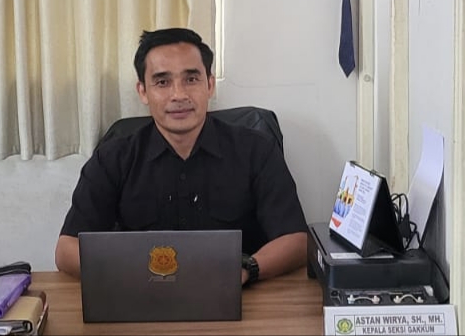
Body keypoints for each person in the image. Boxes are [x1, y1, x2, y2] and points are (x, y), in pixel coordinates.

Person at [55, 27, 308, 285]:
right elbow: (67, 250)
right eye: (162, 82)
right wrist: (130, 274)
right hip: (141, 295)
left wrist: (246, 270)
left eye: (191, 79)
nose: (179, 95)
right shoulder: (113, 158)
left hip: (236, 293)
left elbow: (296, 240)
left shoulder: (256, 150)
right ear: (142, 91)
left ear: (209, 85)